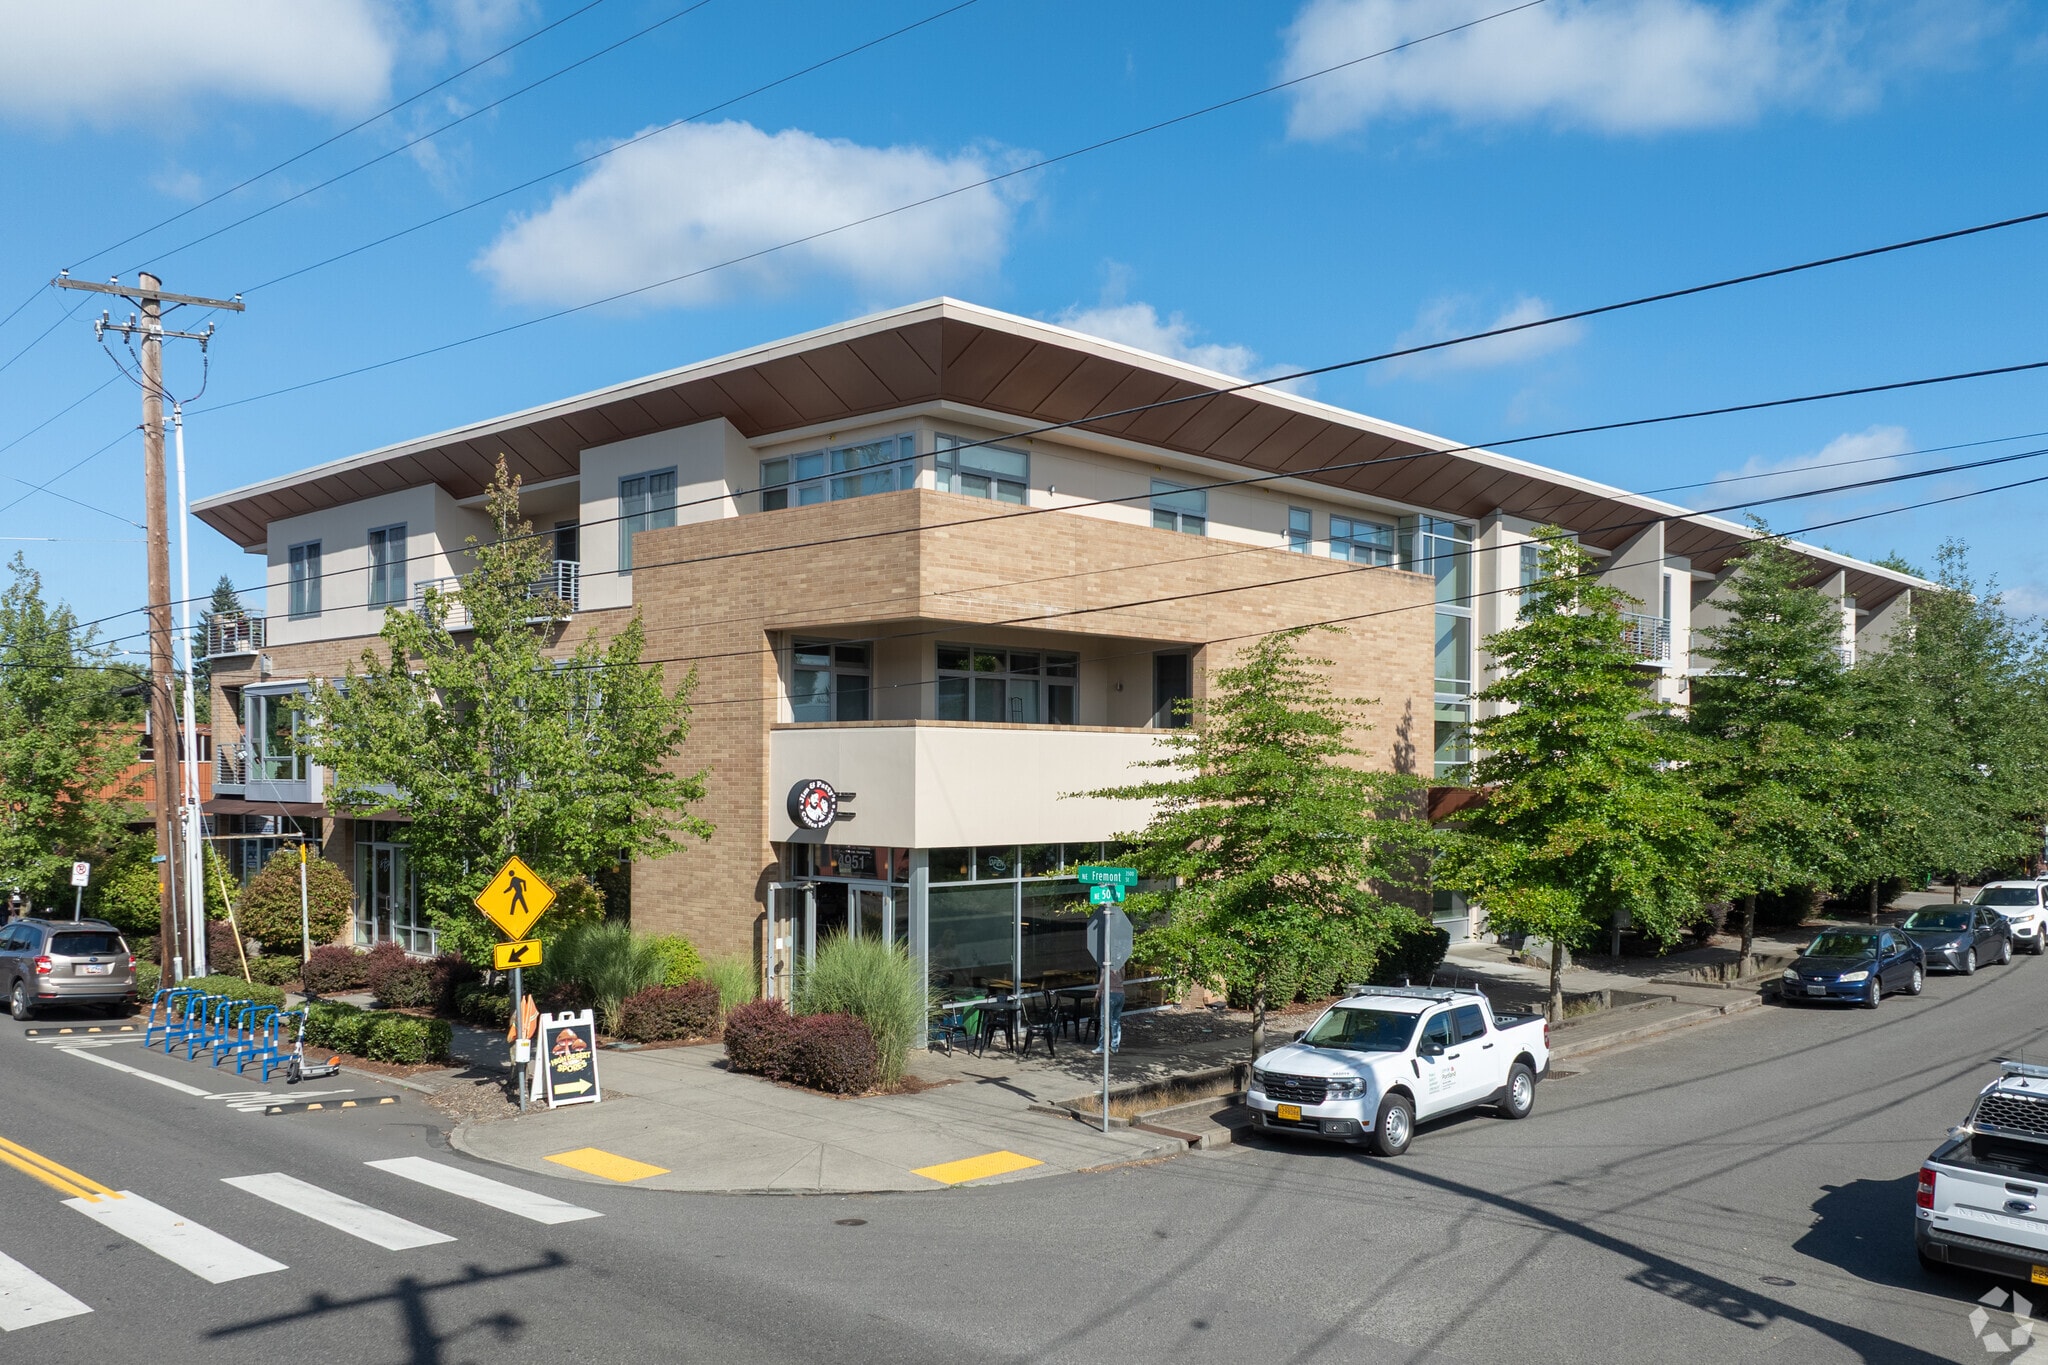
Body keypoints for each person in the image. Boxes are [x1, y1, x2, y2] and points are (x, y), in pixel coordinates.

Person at [1090, 963, 1125, 1055]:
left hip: (1110, 993)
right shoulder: (1121, 962)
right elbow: (1123, 976)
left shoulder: (1106, 962)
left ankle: (1102, 1046)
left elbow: (1103, 978)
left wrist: (1098, 992)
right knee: (1115, 1020)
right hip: (1121, 993)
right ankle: (1115, 1046)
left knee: (1104, 1021)